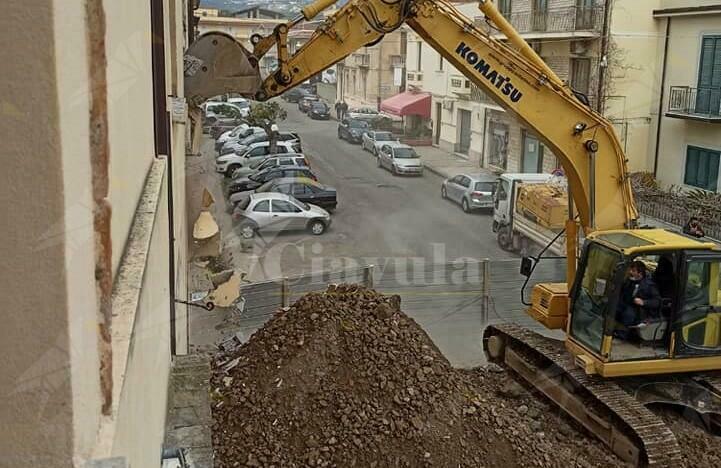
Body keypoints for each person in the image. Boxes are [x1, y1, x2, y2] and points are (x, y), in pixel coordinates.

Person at [614, 260, 661, 340]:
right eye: (630, 270)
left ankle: (622, 335)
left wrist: (643, 302)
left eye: (633, 271)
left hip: (639, 309)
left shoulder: (649, 285)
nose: (630, 272)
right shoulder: (629, 281)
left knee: (628, 313)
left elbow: (657, 301)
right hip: (626, 303)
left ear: (640, 273)